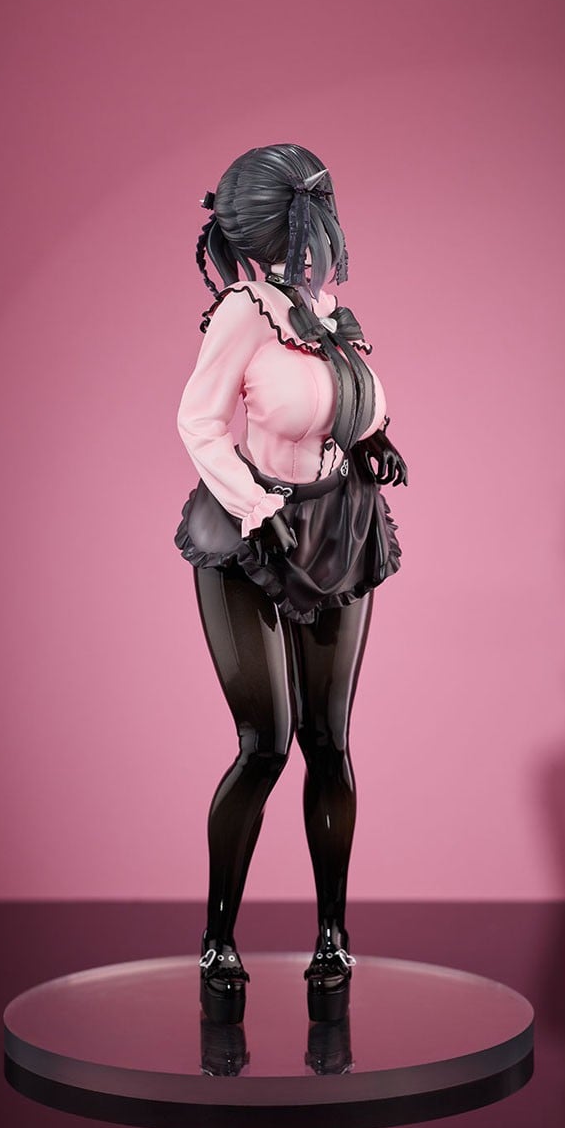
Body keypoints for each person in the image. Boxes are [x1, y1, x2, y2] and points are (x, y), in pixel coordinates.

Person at [175, 144, 407, 1024]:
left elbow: (346, 401)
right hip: (252, 534)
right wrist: (251, 503)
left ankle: (332, 934)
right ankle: (217, 936)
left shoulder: (331, 314)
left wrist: (374, 439)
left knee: (329, 742)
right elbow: (199, 422)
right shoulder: (246, 312)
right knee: (265, 743)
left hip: (338, 527)